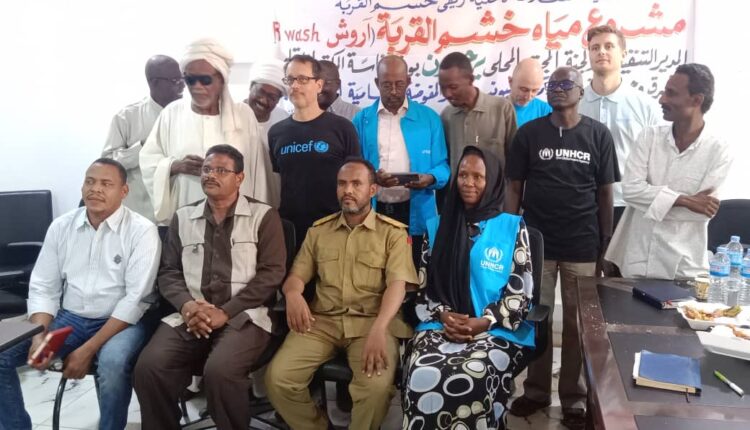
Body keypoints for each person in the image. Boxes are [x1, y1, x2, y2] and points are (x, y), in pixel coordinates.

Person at [133, 145, 286, 430]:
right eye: (206, 169)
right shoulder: (183, 217)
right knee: (149, 366)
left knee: (220, 371)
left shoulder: (263, 216)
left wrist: (225, 312)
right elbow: (168, 272)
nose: (210, 175)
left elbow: (271, 274)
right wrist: (188, 306)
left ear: (239, 178)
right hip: (191, 315)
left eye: (221, 170)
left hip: (245, 316)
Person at [0, 159, 160, 430]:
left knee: (111, 363)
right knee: (2, 356)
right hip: (72, 318)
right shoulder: (61, 226)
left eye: (106, 184)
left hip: (121, 322)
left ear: (124, 191)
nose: (95, 189)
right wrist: (39, 335)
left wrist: (87, 350)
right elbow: (44, 286)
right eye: (90, 182)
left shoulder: (142, 230)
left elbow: (135, 300)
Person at [265, 158, 419, 430]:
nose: (348, 190)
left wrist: (380, 329)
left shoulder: (392, 234)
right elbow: (296, 277)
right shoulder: (319, 231)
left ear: (372, 190)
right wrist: (293, 295)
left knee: (375, 388)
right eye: (342, 184)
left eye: (356, 184)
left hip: (372, 322)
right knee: (278, 379)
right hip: (321, 322)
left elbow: (397, 286)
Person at [505, 67, 619, 430]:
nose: (557, 89)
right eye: (552, 85)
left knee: (576, 324)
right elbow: (513, 187)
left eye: (565, 84)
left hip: (582, 244)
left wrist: (605, 244)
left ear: (581, 92)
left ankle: (573, 397)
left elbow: (605, 193)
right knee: (536, 318)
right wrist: (508, 235)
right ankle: (536, 390)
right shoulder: (529, 134)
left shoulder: (598, 135)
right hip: (537, 244)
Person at [402, 146, 534, 430]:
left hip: (496, 329)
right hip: (440, 325)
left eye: (478, 176)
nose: (468, 183)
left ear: (493, 181)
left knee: (475, 374)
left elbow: (520, 294)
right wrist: (444, 315)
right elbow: (425, 289)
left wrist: (483, 322)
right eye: (463, 175)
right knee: (422, 371)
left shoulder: (512, 228)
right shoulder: (437, 226)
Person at [605, 64, 732, 279]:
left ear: (697, 100)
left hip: (684, 267)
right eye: (664, 91)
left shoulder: (719, 150)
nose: (662, 99)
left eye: (671, 93)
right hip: (637, 258)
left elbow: (701, 212)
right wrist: (686, 200)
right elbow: (631, 191)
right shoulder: (649, 137)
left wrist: (652, 199)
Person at [140, 38, 271, 224]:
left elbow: (258, 174)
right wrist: (174, 166)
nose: (197, 87)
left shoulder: (243, 115)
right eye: (190, 80)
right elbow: (148, 160)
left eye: (205, 80)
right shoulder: (172, 113)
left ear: (221, 80)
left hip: (236, 222)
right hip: (185, 220)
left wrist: (258, 221)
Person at [353, 55, 449, 265]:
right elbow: (353, 167)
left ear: (409, 81)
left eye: (399, 84)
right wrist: (373, 177)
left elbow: (443, 166)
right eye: (387, 85)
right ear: (377, 83)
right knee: (376, 271)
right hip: (374, 211)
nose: (394, 91)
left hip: (417, 213)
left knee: (415, 272)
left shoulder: (429, 119)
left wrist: (430, 178)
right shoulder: (362, 120)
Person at [268, 54, 361, 250]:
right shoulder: (276, 132)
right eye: (290, 79)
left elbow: (356, 182)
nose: (295, 85)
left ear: (319, 85)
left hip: (334, 230)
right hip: (290, 233)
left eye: (303, 79)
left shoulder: (342, 128)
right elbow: (278, 183)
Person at [578, 25, 660, 228]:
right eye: (595, 47)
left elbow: (658, 161)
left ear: (623, 54)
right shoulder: (575, 104)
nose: (601, 52)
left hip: (628, 206)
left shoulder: (645, 105)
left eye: (609, 46)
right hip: (581, 205)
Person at [101, 55, 184, 222]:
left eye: (183, 79)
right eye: (175, 80)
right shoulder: (127, 117)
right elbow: (107, 164)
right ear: (154, 82)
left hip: (181, 215)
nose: (182, 85)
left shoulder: (190, 114)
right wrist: (144, 146)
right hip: (141, 216)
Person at [438, 51, 517, 172]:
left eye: (453, 87)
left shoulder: (502, 109)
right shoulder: (446, 116)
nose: (447, 94)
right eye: (442, 87)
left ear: (470, 79)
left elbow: (515, 159)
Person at [245, 59, 290, 207]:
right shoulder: (231, 115)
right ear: (251, 87)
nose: (264, 100)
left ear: (278, 100)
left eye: (272, 97)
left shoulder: (283, 119)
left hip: (273, 201)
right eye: (261, 92)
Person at [508, 58, 552, 127]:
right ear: (510, 82)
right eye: (524, 89)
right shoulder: (498, 110)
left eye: (534, 90)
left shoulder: (546, 111)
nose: (528, 97)